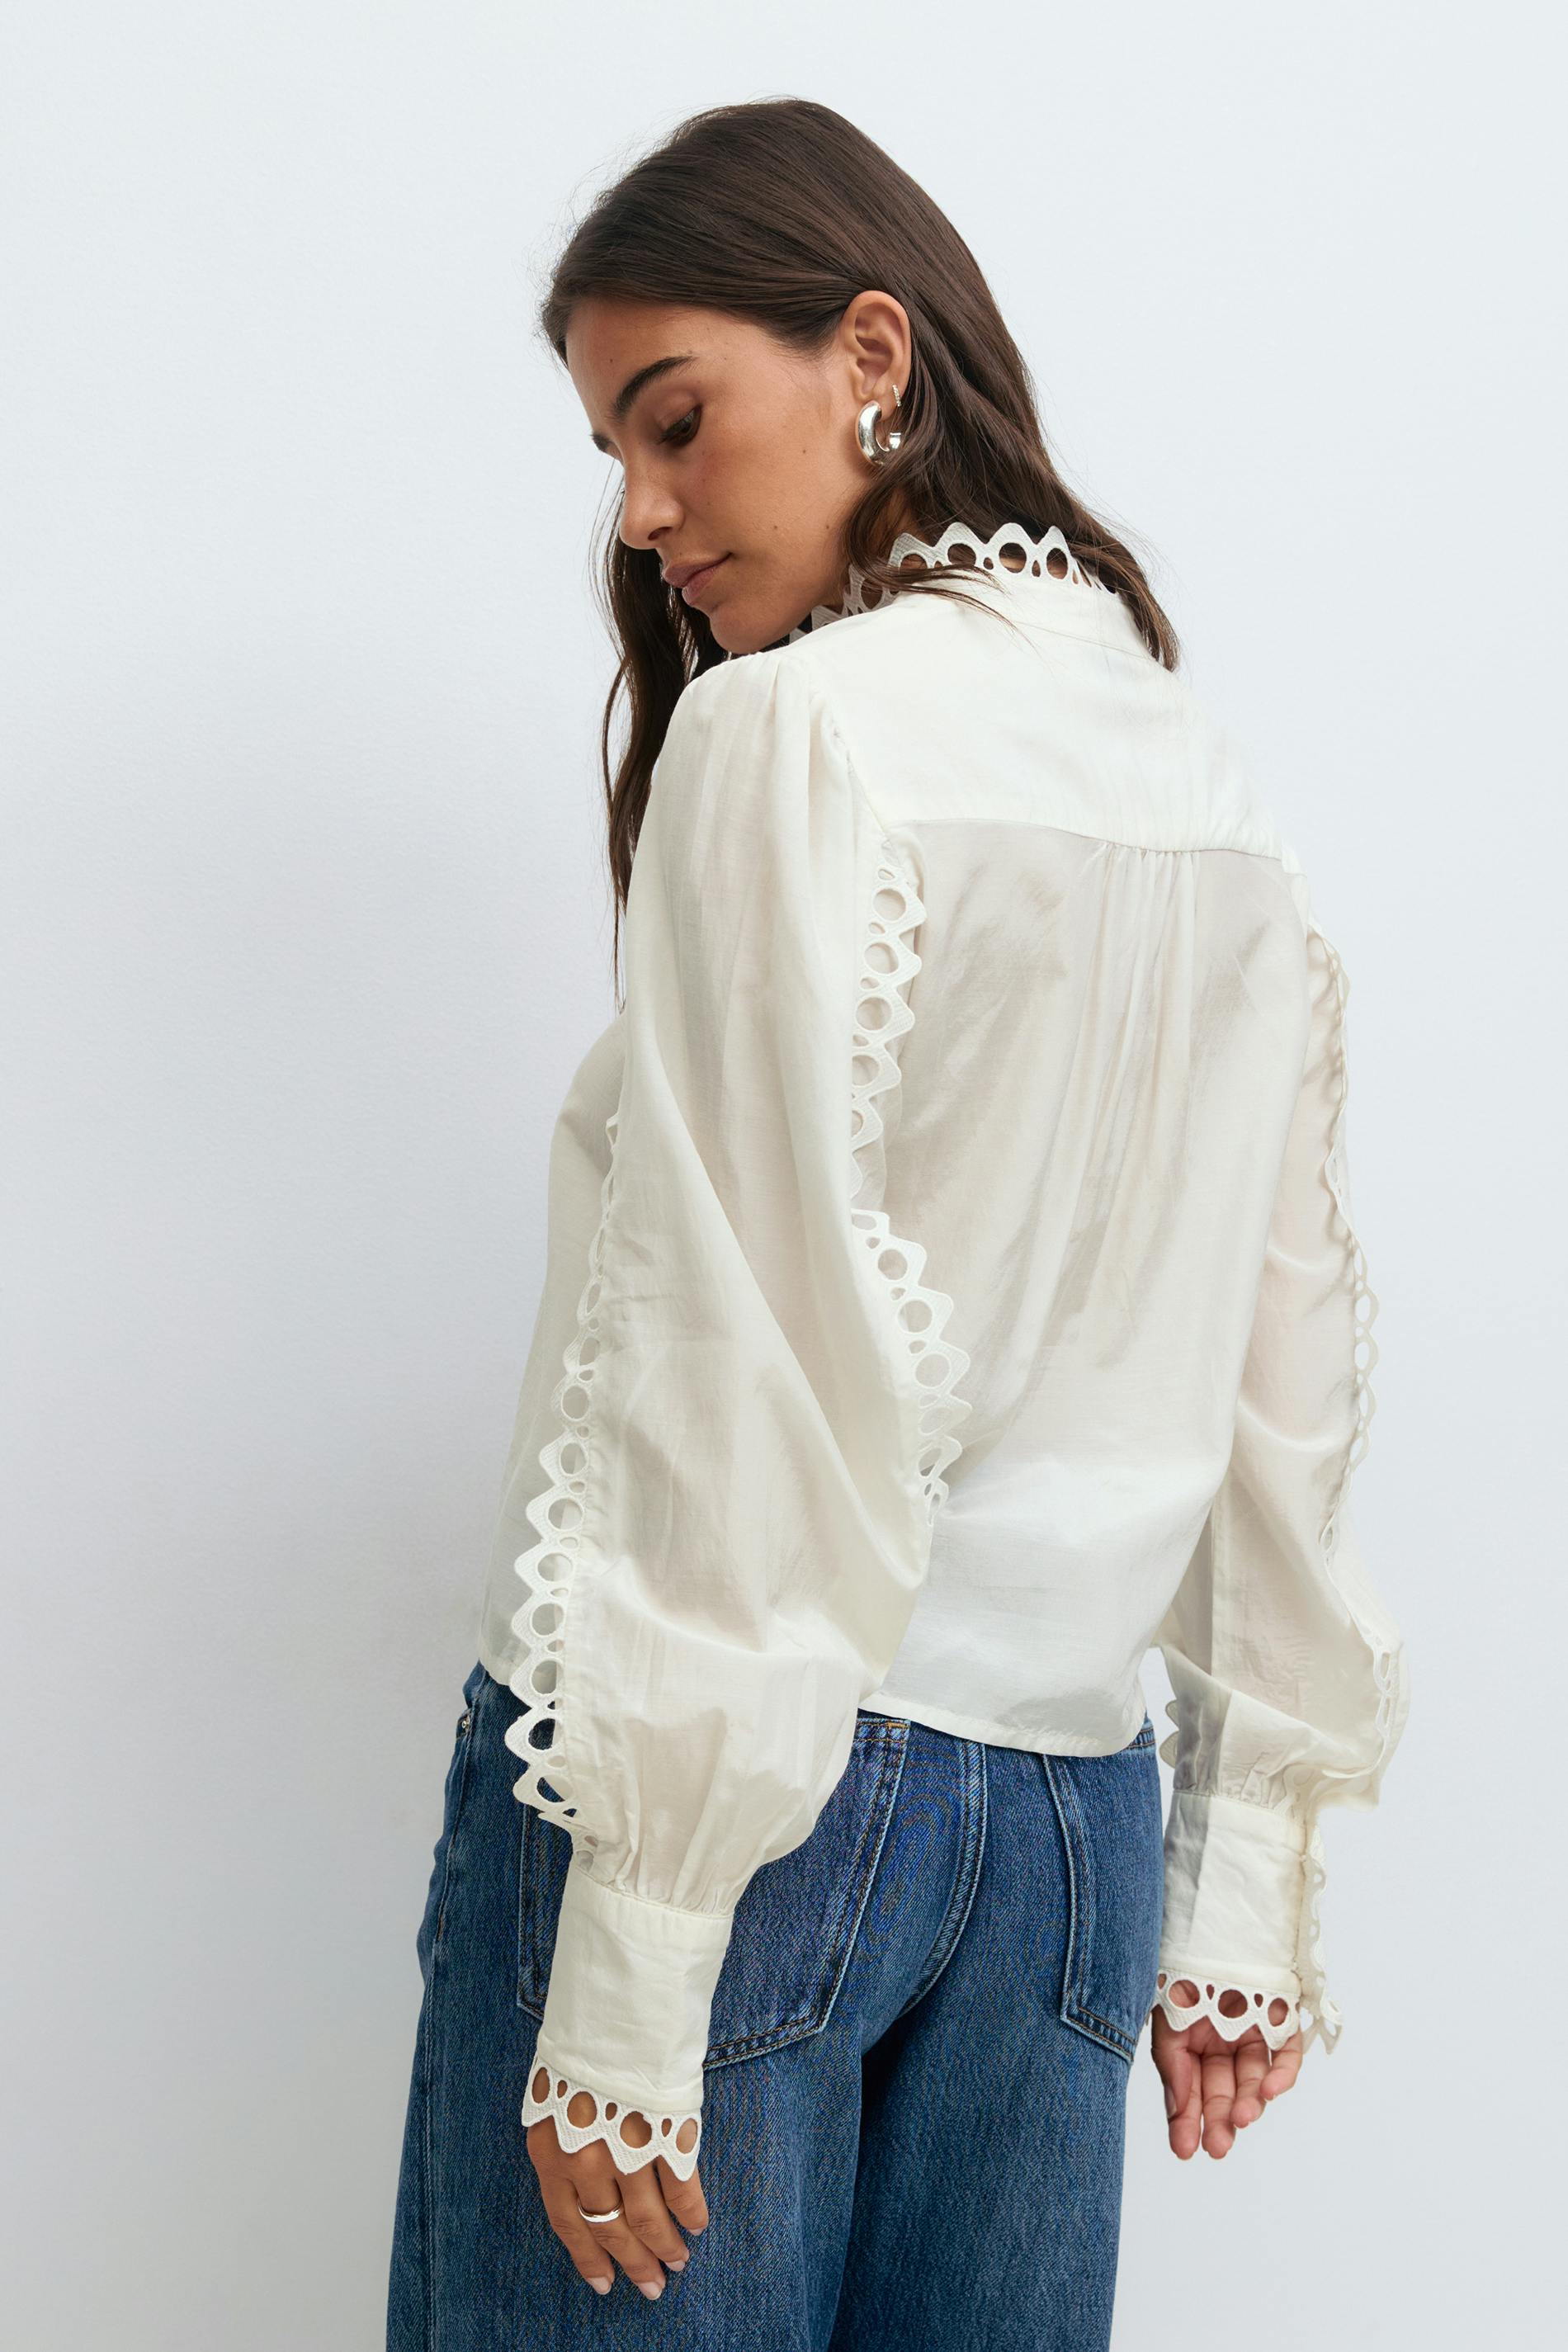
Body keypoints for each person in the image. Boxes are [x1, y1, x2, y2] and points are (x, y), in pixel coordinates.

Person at [385, 97, 1410, 2352]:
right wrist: (1244, 1872)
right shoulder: (1197, 773)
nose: (641, 513)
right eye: (610, 453)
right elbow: (1281, 1362)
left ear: (872, 352)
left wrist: (642, 1938)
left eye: (674, 423)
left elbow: (734, 1350)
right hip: (1066, 1835)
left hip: (743, 1814)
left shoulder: (793, 737)